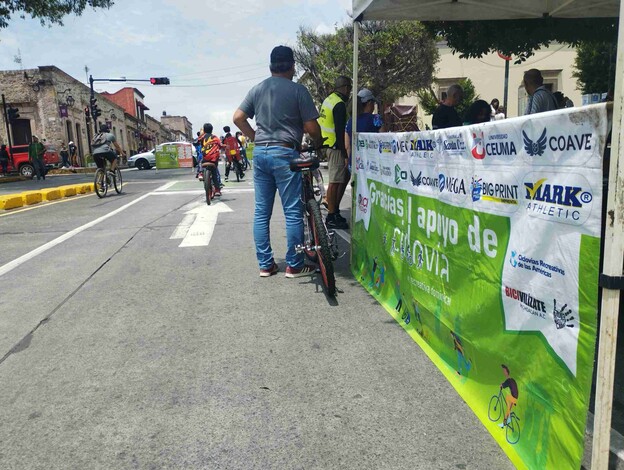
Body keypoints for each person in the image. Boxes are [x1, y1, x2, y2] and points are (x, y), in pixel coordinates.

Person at [233, 45, 323, 278]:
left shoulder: (257, 89)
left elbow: (238, 118)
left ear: (271, 66)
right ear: (293, 66)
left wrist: (255, 139)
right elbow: (312, 127)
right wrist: (318, 141)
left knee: (262, 212)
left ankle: (266, 265)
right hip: (285, 154)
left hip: (261, 153)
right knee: (292, 211)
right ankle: (294, 264)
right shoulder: (298, 90)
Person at [319, 75, 352, 230]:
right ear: (345, 88)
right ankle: (332, 215)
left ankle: (334, 210)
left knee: (341, 177)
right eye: (349, 88)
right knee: (335, 181)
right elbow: (340, 131)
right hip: (335, 146)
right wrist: (345, 154)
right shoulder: (339, 104)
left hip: (327, 144)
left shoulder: (328, 100)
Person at [345, 88, 383, 170]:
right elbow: (384, 139)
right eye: (373, 103)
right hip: (373, 164)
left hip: (355, 164)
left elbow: (347, 146)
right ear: (369, 103)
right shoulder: (376, 119)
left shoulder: (350, 121)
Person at [198, 123, 222, 196]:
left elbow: (196, 142)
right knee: (214, 173)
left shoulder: (202, 137)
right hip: (214, 159)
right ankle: (217, 190)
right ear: (212, 130)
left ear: (204, 130)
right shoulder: (215, 137)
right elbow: (220, 145)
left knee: (201, 161)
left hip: (205, 158)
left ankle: (201, 173)